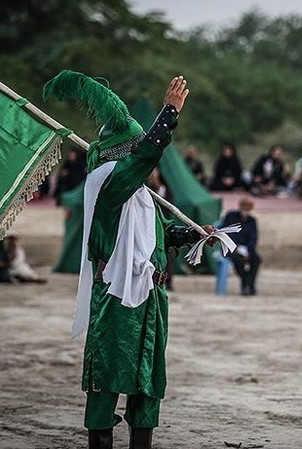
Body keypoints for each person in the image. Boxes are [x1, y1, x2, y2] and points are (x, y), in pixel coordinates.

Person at [43, 71, 215, 449]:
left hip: (152, 299)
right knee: (108, 376)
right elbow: (146, 154)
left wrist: (193, 234)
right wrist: (169, 111)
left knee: (149, 380)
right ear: (124, 154)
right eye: (136, 152)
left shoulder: (138, 194)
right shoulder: (107, 184)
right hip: (117, 302)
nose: (146, 164)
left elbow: (161, 232)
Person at [218, 196, 261, 295]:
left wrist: (249, 251)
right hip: (230, 248)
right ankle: (248, 285)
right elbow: (227, 232)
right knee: (238, 260)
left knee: (256, 259)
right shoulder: (231, 216)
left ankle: (247, 285)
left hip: (246, 249)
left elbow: (253, 238)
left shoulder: (252, 221)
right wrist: (234, 246)